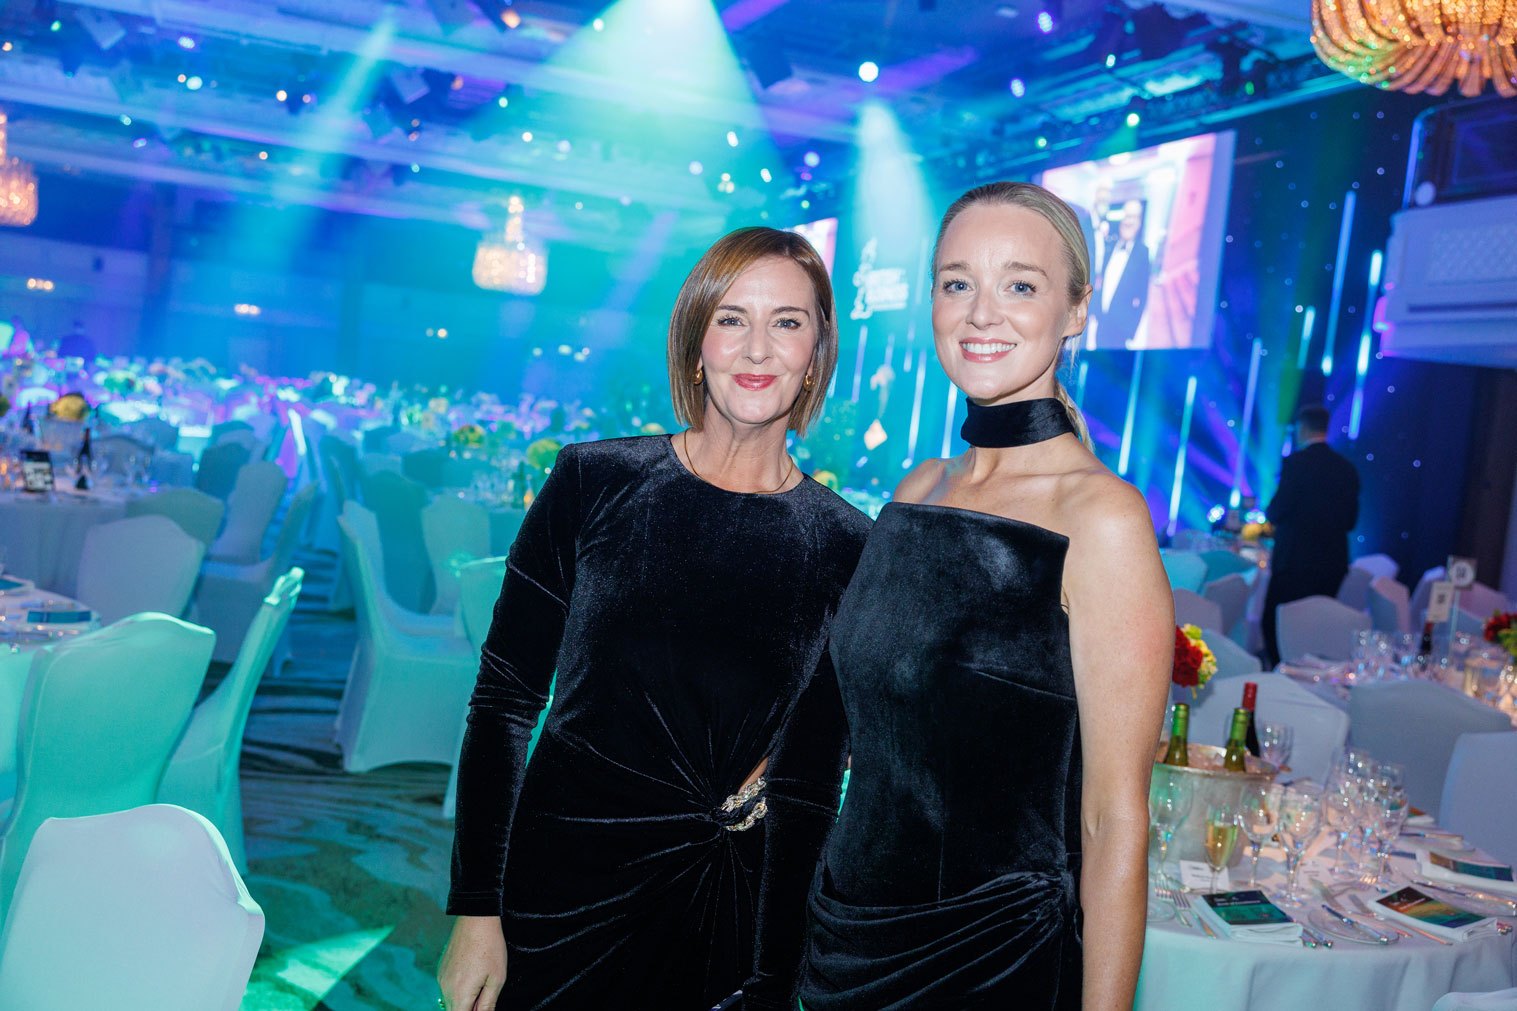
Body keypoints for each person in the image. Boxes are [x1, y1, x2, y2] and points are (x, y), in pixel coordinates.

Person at [437, 226, 871, 1011]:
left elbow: (809, 787)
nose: (758, 348)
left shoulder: (848, 546)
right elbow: (503, 703)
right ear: (696, 341)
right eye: (732, 318)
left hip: (720, 909)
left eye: (787, 322)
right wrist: (476, 907)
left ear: (816, 353)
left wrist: (774, 977)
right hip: (557, 888)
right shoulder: (592, 481)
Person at [792, 182, 1172, 1009]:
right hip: (845, 935)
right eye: (957, 282)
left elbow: (1113, 819)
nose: (980, 312)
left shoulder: (1100, 518)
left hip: (987, 961)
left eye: (1020, 284)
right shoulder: (917, 487)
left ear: (1076, 310)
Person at [1261, 404, 1361, 666]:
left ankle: (1280, 673)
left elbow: (1277, 511)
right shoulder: (1347, 469)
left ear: (1302, 428)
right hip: (1331, 564)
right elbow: (1350, 522)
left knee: (1275, 624)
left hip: (1294, 563)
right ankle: (1310, 676)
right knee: (1316, 631)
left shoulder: (1296, 463)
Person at [1092, 199, 1151, 349]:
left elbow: (1143, 296)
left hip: (1120, 330)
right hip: (1101, 324)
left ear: (1139, 222)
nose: (1128, 221)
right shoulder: (1110, 246)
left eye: (1133, 217)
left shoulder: (1142, 253)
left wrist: (1131, 330)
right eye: (1126, 216)